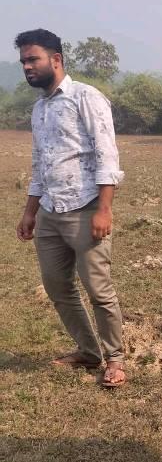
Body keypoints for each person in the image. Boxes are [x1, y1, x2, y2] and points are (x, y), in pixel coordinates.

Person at [15, 28, 126, 388]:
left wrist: (104, 209)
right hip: (49, 211)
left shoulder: (86, 97)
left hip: (86, 208)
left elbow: (106, 154)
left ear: (56, 59)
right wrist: (30, 211)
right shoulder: (39, 109)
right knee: (57, 286)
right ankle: (88, 350)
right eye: (23, 61)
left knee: (98, 289)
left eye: (33, 59)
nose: (27, 67)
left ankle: (114, 359)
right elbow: (40, 163)